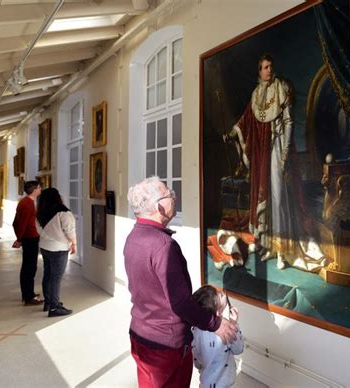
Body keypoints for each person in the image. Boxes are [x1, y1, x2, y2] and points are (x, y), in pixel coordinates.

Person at [124, 176, 238, 388]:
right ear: (160, 206)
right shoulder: (163, 246)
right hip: (164, 345)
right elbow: (181, 303)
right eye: (170, 195)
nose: (174, 198)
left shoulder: (134, 237)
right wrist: (216, 324)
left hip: (140, 333)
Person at [225, 53, 328, 272]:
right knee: (267, 198)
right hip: (262, 153)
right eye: (264, 67)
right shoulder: (256, 94)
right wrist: (233, 132)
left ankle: (284, 250)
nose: (269, 70)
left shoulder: (281, 87)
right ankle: (268, 244)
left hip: (279, 148)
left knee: (280, 199)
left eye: (271, 66)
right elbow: (246, 120)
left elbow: (289, 122)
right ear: (259, 71)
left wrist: (283, 158)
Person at [192, 285, 244, 388]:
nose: (222, 294)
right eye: (219, 295)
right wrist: (233, 323)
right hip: (225, 384)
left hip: (205, 383)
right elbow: (238, 349)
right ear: (218, 312)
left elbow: (196, 359)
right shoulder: (226, 330)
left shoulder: (195, 330)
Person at [36, 188, 76, 317]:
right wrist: (74, 243)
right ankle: (54, 307)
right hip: (58, 248)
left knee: (48, 274)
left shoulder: (40, 212)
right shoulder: (63, 212)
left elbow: (38, 230)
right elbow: (69, 230)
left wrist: (48, 237)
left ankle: (48, 302)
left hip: (44, 247)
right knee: (56, 278)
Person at [12, 180, 43, 305]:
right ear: (34, 189)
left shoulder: (24, 202)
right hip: (30, 238)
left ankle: (28, 293)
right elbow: (23, 223)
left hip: (29, 237)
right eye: (39, 187)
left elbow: (16, 222)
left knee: (28, 267)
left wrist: (19, 237)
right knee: (29, 268)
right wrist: (19, 239)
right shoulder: (28, 203)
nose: (40, 189)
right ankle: (28, 296)